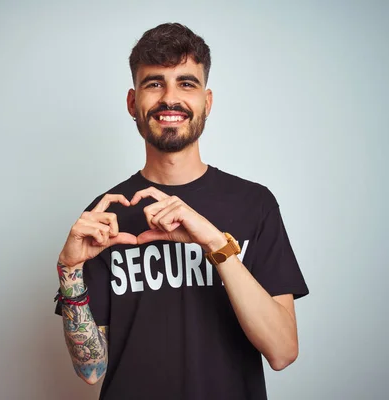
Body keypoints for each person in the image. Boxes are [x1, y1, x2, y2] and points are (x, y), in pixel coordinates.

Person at [54, 22, 309, 400]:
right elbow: (91, 370)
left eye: (186, 83)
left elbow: (283, 351)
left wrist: (213, 242)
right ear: (131, 102)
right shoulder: (106, 216)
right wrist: (69, 271)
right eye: (154, 83)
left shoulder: (254, 204)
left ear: (207, 102)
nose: (169, 98)